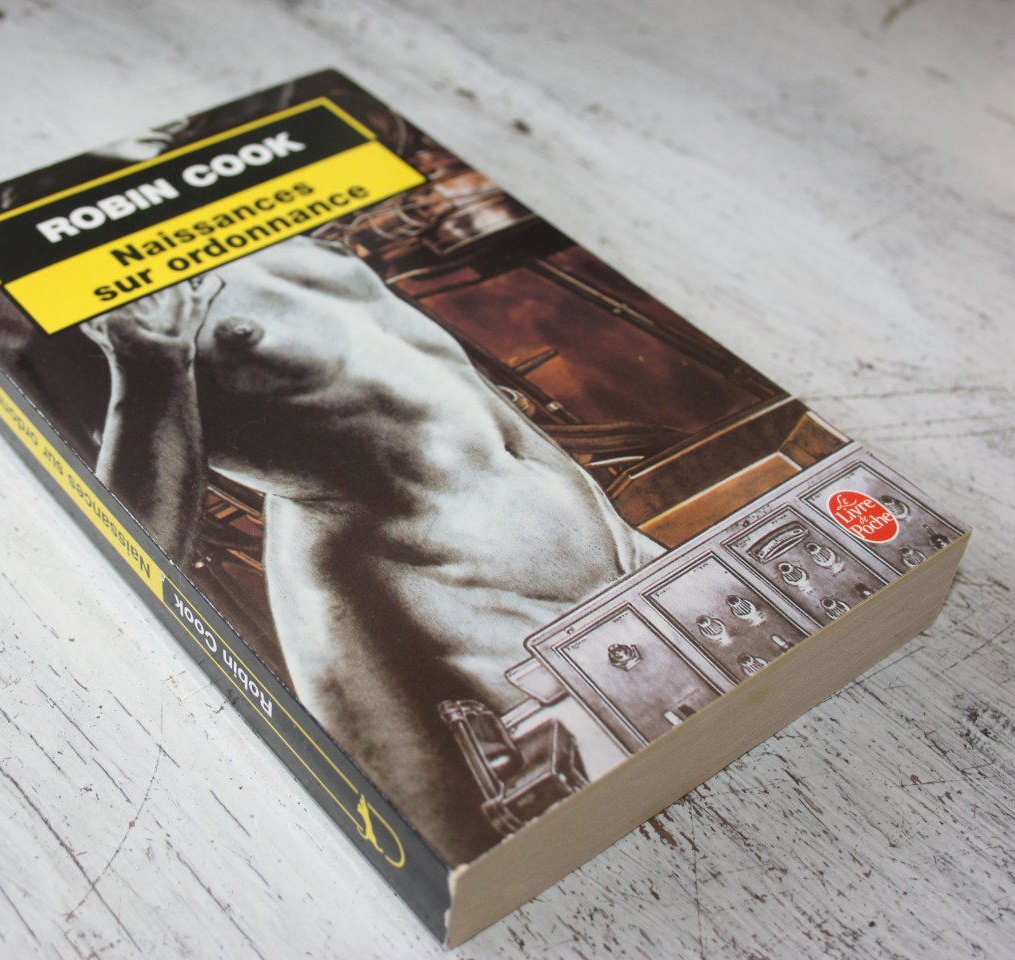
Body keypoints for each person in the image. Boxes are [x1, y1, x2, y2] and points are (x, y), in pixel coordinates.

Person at [83, 237, 662, 860]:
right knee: (482, 851)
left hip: (599, 540)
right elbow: (127, 546)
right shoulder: (64, 299)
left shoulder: (225, 208)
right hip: (427, 594)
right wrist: (153, 358)